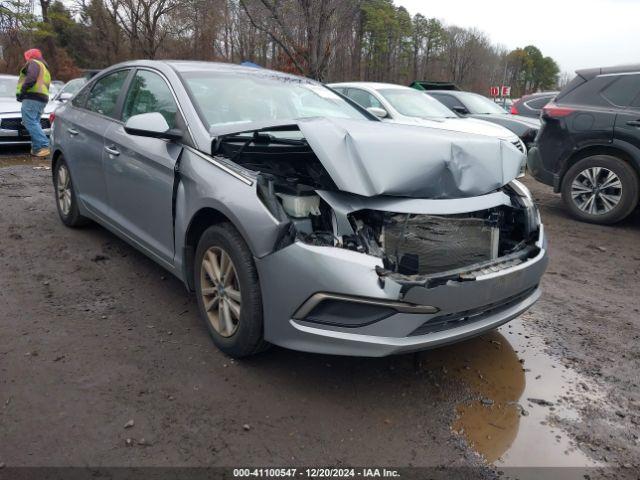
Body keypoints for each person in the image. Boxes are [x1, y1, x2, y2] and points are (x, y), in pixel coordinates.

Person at [16, 48, 51, 157]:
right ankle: (37, 149)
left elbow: (31, 78)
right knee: (34, 122)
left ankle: (44, 145)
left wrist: (22, 92)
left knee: (29, 121)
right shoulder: (44, 67)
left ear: (30, 56)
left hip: (32, 96)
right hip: (41, 98)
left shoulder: (33, 63)